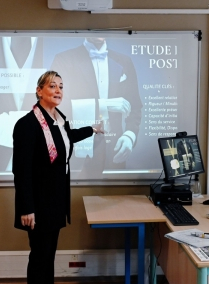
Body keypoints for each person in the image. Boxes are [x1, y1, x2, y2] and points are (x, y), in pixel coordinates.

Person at [12, 71, 101, 284]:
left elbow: (67, 138)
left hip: (56, 202)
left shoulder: (59, 119)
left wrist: (93, 130)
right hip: (37, 206)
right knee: (38, 260)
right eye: (52, 86)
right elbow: (21, 170)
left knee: (49, 255)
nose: (58, 90)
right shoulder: (27, 125)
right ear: (39, 91)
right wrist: (27, 207)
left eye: (61, 86)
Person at [51, 37, 143, 179]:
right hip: (78, 146)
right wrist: (101, 105)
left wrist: (130, 135)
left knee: (116, 198)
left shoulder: (124, 61)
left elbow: (135, 105)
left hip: (115, 148)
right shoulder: (64, 59)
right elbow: (55, 104)